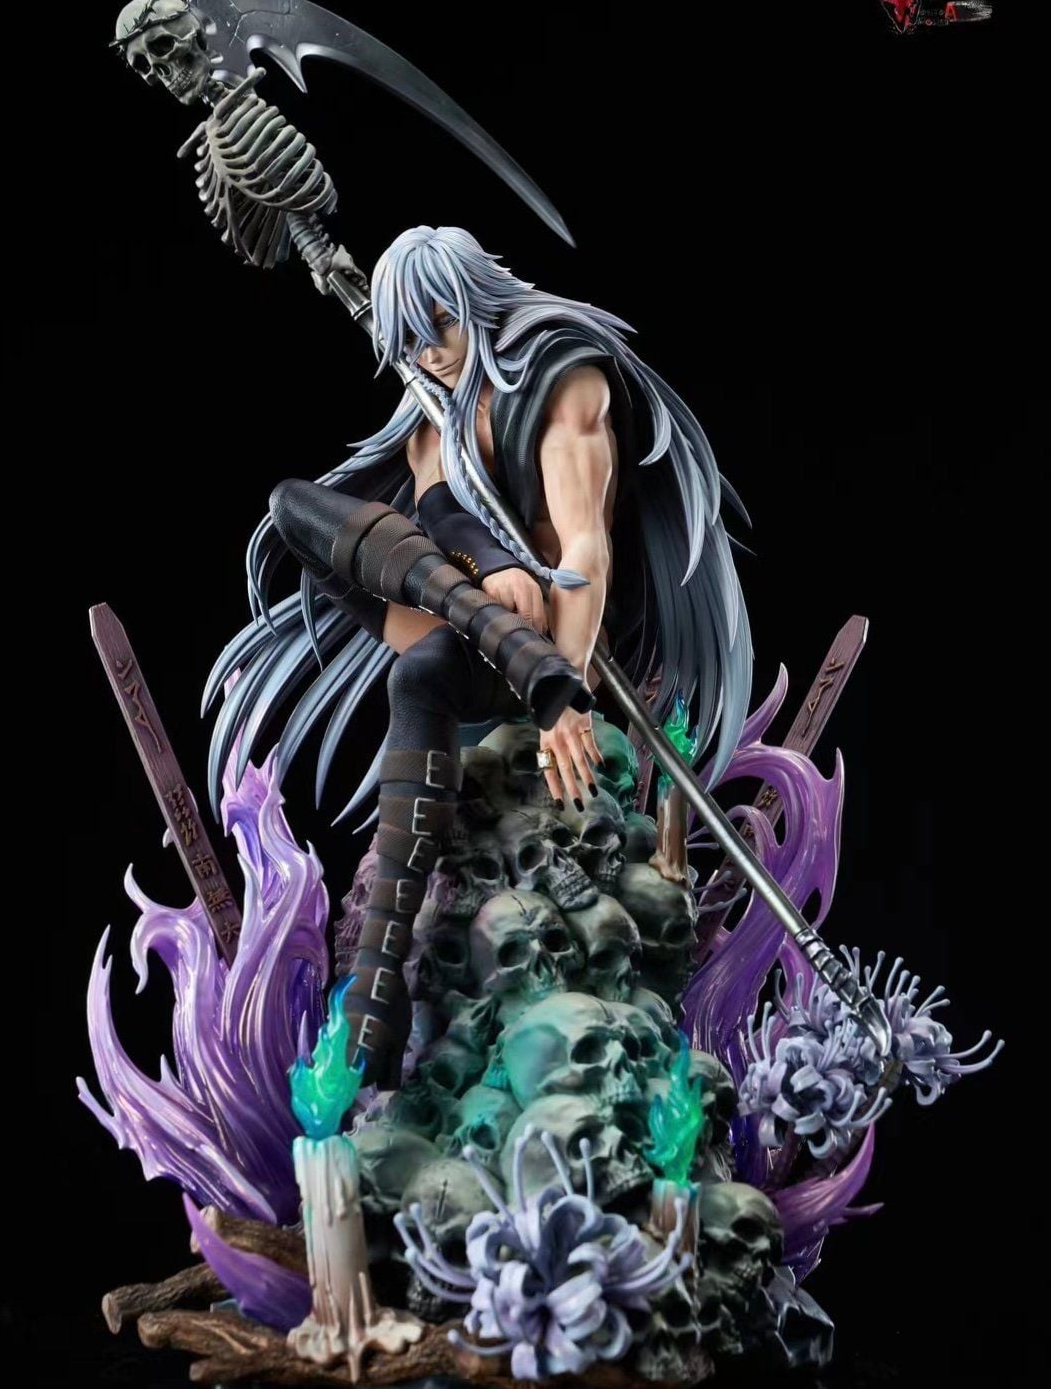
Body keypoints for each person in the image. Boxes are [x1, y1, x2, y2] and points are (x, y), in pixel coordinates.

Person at [206, 225, 752, 1085]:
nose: (428, 353)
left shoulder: (565, 383)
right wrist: (490, 569)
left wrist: (565, 691)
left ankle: (380, 994)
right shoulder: (430, 408)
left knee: (420, 676)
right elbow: (438, 512)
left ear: (477, 301)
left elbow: (585, 548)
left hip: (566, 640)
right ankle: (375, 995)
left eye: (439, 326)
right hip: (480, 623)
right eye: (409, 340)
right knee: (291, 507)